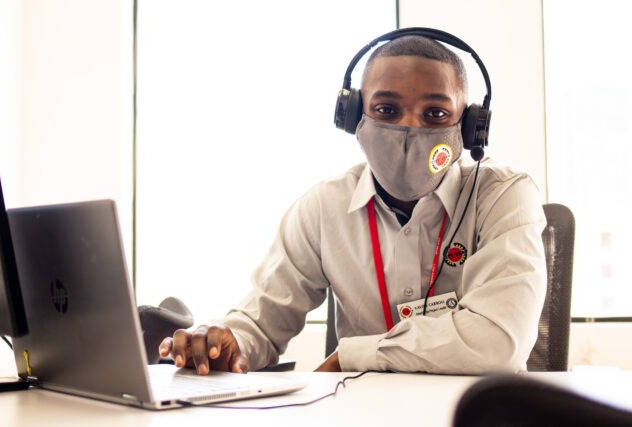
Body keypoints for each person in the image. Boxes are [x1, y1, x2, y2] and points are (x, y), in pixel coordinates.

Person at [159, 29, 547, 375]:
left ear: (468, 127)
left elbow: (499, 342)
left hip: (474, 414)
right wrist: (226, 342)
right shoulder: (323, 208)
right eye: (386, 110)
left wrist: (357, 355)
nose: (409, 128)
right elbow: (262, 322)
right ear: (353, 117)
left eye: (435, 113)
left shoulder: (505, 197)